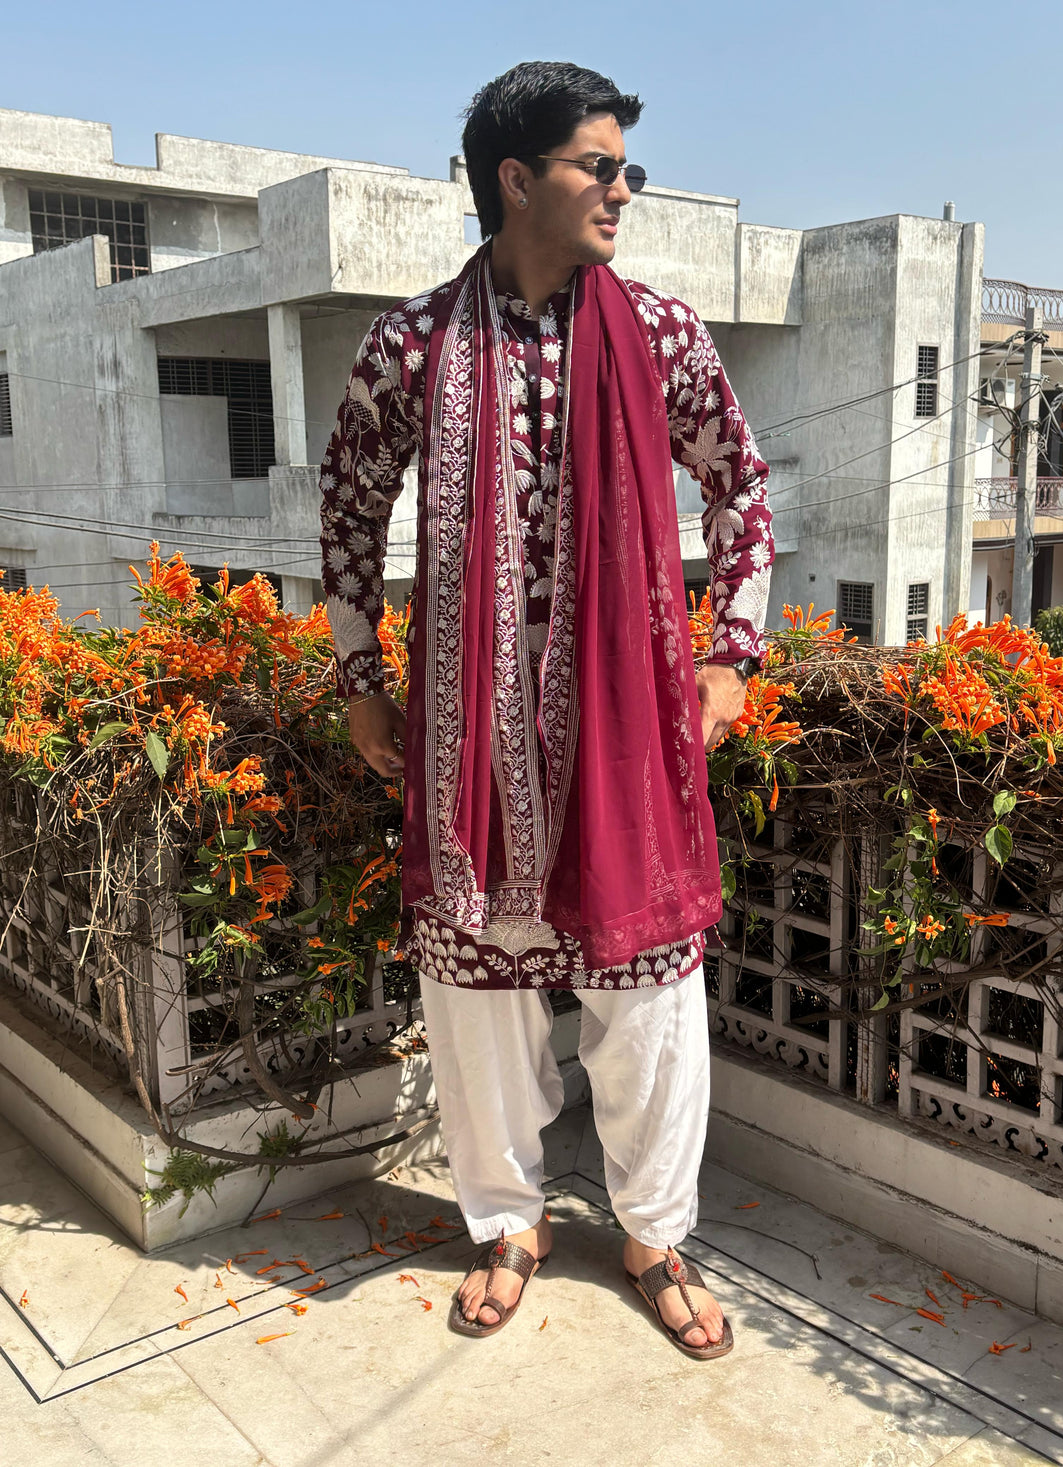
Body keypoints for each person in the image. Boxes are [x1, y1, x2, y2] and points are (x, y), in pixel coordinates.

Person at [319, 61, 773, 1359]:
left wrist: (732, 656)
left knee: (651, 993)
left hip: (629, 735)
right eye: (599, 166)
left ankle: (654, 1236)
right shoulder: (413, 343)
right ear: (517, 180)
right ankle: (507, 1223)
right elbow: (349, 505)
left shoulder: (665, 335)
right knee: (478, 993)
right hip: (469, 738)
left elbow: (742, 488)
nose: (623, 190)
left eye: (626, 168)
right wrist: (362, 679)